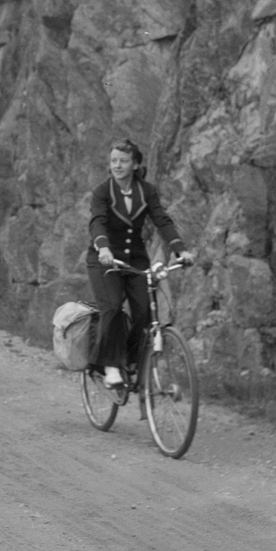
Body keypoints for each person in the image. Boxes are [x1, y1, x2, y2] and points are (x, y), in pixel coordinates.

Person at [86, 139, 193, 392]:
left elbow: (162, 221)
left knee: (145, 312)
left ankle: (131, 362)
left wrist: (181, 250)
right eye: (113, 161)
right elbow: (97, 222)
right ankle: (110, 366)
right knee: (112, 306)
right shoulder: (102, 191)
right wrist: (103, 247)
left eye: (123, 161)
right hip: (105, 260)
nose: (117, 165)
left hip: (135, 259)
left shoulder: (147, 191)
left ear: (135, 164)